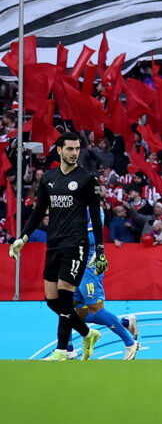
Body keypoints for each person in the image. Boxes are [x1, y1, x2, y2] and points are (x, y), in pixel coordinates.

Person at [11, 134, 106, 360]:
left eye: (77, 149)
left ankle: (63, 350)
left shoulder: (87, 179)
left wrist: (100, 250)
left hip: (76, 244)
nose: (74, 153)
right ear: (59, 150)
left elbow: (96, 215)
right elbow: (38, 212)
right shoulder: (49, 178)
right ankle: (87, 333)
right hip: (54, 244)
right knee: (52, 300)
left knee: (65, 296)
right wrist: (23, 238)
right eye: (70, 149)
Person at [71, 241, 141, 360]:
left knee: (95, 309)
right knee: (75, 311)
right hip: (75, 262)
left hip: (89, 264)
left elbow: (96, 234)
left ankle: (130, 343)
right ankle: (125, 322)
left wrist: (99, 254)